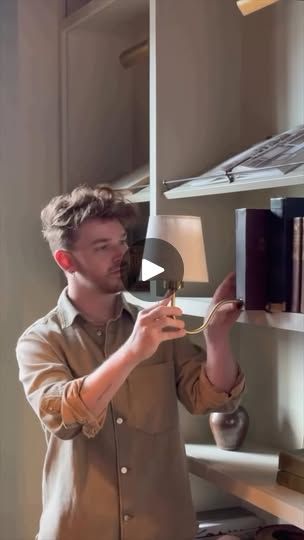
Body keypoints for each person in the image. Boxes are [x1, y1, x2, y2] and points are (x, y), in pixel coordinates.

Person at [16, 185, 245, 540]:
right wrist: (133, 352)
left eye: (122, 241)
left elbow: (213, 399)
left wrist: (216, 338)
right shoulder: (40, 341)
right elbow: (63, 416)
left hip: (165, 529)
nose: (121, 254)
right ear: (66, 260)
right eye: (102, 246)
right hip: (79, 530)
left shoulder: (157, 326)